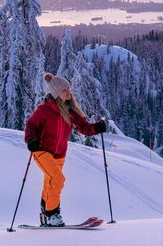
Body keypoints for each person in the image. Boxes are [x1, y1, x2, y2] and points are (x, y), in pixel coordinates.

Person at [24, 72, 107, 227]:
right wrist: (31, 140)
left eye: (68, 88)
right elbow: (31, 125)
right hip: (41, 150)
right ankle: (52, 214)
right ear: (56, 93)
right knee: (58, 179)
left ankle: (45, 214)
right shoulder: (44, 110)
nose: (68, 92)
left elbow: (85, 128)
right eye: (64, 90)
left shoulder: (70, 111)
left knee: (50, 182)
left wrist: (97, 128)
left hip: (60, 153)